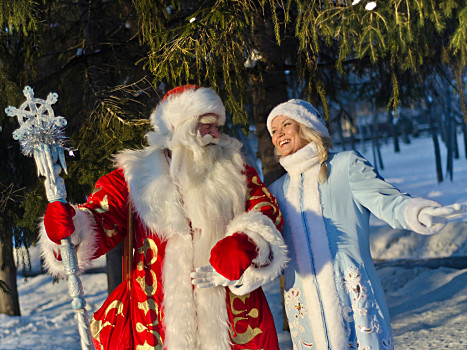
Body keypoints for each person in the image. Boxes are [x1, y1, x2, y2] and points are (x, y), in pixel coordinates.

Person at [39, 85, 288, 350]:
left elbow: (266, 211)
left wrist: (247, 242)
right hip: (154, 319)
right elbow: (101, 221)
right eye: (207, 126)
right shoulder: (134, 177)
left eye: (217, 126)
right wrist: (71, 226)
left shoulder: (236, 171)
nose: (216, 134)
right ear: (181, 127)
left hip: (231, 317)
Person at [266, 99, 464, 350]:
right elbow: (267, 248)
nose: (279, 134)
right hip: (304, 308)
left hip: (353, 298)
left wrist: (418, 212)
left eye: (286, 124)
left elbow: (387, 202)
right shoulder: (276, 191)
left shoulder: (344, 166)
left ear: (307, 126)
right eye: (273, 131)